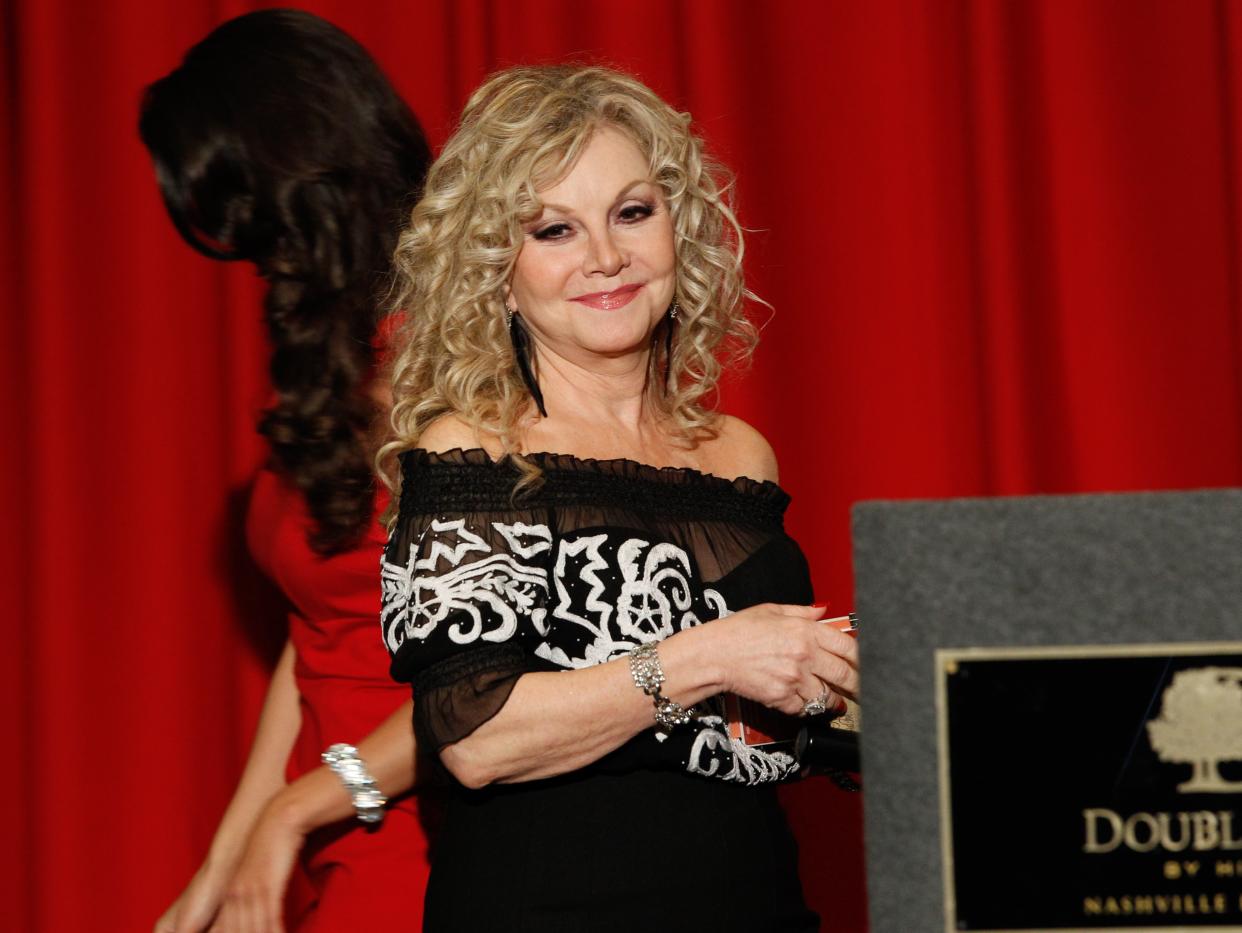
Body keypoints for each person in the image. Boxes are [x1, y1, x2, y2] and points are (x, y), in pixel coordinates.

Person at [379, 64, 860, 932]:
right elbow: (476, 736)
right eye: (556, 229)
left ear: (680, 229)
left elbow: (759, 727)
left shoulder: (739, 453)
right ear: (499, 269)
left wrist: (860, 690)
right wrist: (707, 656)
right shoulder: (472, 448)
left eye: (632, 213)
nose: (606, 256)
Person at [139, 10, 434, 932]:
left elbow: (499, 675)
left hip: (436, 832)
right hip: (337, 827)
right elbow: (321, 631)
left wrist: (299, 806)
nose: (262, 268)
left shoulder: (446, 357)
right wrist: (218, 874)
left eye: (262, 237)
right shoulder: (339, 351)